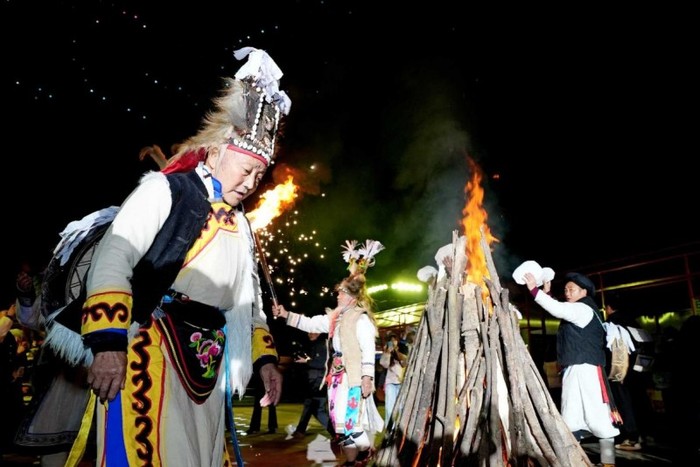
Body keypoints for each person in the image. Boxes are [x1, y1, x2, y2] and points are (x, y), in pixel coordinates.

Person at [41, 47, 290, 466]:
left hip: (209, 364)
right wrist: (108, 344)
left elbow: (250, 303)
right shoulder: (166, 189)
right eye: (246, 169)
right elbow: (114, 257)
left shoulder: (241, 225)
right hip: (150, 351)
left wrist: (265, 359)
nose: (251, 183)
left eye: (259, 175)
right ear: (215, 151)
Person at [272, 239, 385, 466]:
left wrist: (367, 377)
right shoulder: (335, 318)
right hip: (337, 378)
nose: (337, 296)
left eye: (340, 293)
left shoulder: (361, 319)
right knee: (340, 424)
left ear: (351, 297)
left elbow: (368, 349)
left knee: (352, 423)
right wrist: (285, 315)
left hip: (353, 379)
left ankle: (366, 452)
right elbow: (311, 323)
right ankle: (352, 462)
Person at [521, 271, 620, 467]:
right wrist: (547, 294)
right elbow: (561, 308)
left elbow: (559, 309)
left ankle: (608, 462)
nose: (567, 292)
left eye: (572, 289)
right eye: (565, 289)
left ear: (584, 292)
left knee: (598, 414)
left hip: (587, 370)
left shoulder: (583, 309)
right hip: (576, 369)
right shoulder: (581, 309)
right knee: (570, 415)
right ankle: (574, 461)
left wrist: (534, 290)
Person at [602, 293, 644, 451]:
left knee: (623, 402)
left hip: (619, 371)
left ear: (608, 308)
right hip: (637, 369)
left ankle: (631, 437)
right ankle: (643, 434)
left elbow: (609, 348)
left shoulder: (611, 323)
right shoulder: (633, 322)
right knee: (638, 400)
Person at [291, 332, 333, 439]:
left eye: (313, 332)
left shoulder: (320, 344)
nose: (310, 334)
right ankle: (300, 430)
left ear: (319, 333)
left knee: (318, 409)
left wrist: (306, 361)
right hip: (316, 381)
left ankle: (336, 433)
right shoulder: (320, 343)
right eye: (309, 332)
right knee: (309, 405)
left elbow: (321, 363)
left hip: (318, 382)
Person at [379, 332, 407, 425]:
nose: (393, 342)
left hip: (401, 382)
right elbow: (384, 364)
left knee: (402, 407)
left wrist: (396, 351)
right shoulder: (386, 352)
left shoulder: (402, 350)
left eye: (394, 340)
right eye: (391, 341)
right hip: (390, 383)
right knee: (389, 407)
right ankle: (390, 427)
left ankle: (402, 426)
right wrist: (388, 352)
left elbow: (404, 363)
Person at [248, 370, 278, 434]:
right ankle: (271, 427)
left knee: (267, 405)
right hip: (263, 380)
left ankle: (256, 427)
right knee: (260, 405)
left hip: (267, 380)